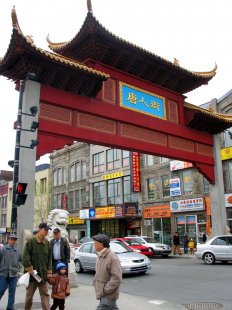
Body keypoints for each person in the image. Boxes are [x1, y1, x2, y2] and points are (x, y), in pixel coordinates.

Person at [23, 222, 52, 310]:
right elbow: (25, 257)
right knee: (29, 296)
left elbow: (49, 259)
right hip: (32, 276)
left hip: (43, 276)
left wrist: (49, 271)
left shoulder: (47, 243)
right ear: (40, 229)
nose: (47, 232)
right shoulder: (31, 242)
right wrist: (30, 269)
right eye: (45, 230)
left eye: (47, 230)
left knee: (45, 295)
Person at [92, 234, 122, 310]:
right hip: (103, 292)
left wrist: (106, 289)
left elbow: (117, 277)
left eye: (95, 243)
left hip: (108, 294)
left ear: (101, 245)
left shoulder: (112, 257)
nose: (94, 245)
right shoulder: (100, 255)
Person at [0, 234, 21, 310]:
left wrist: (18, 267)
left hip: (13, 275)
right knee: (1, 290)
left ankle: (10, 307)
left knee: (12, 292)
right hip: (3, 274)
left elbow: (20, 261)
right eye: (11, 239)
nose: (13, 241)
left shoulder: (18, 251)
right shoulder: (3, 249)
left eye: (14, 240)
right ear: (9, 240)